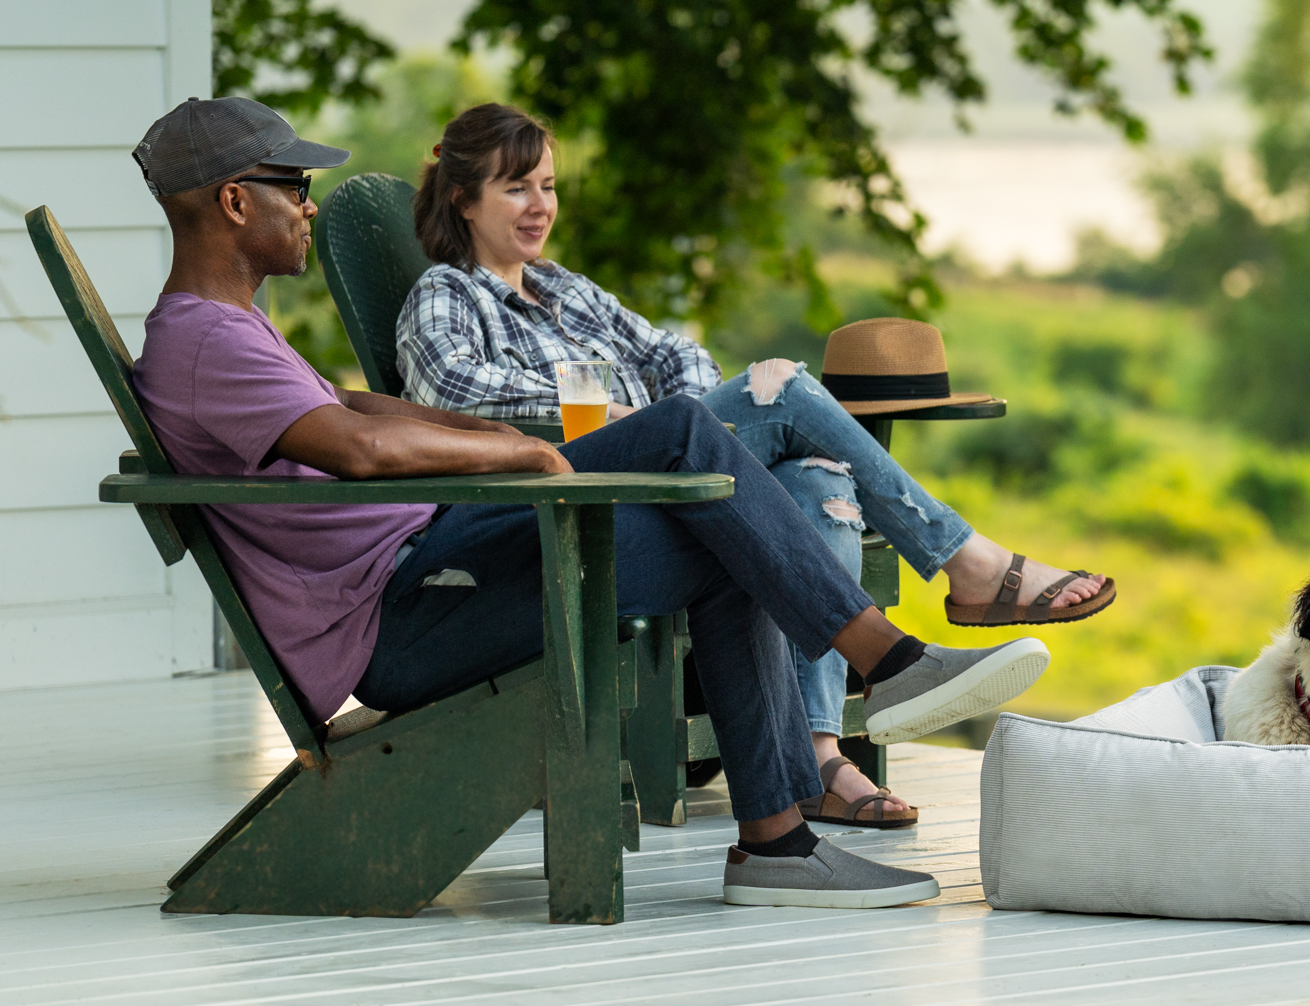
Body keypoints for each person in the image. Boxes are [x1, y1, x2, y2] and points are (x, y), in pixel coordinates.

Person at [124, 96, 1054, 909]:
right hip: (402, 613)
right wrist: (524, 448)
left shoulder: (236, 327)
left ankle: (777, 842)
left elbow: (357, 408)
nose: (308, 205)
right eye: (292, 187)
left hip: (433, 562)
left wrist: (489, 441)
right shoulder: (208, 341)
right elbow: (359, 450)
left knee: (723, 510)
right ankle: (886, 661)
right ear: (236, 201)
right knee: (686, 435)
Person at [393, 104, 1118, 829]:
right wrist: (622, 416)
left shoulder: (564, 290)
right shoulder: (446, 294)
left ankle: (818, 757)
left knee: (818, 481)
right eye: (516, 188)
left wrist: (668, 424)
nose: (539, 206)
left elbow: (675, 354)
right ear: (463, 198)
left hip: (660, 481)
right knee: (784, 387)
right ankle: (971, 569)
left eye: (548, 186)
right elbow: (451, 390)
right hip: (563, 507)